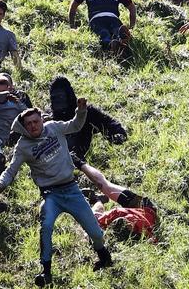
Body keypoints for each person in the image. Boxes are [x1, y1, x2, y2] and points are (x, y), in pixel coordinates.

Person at [0, 100, 114, 287]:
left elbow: (76, 125)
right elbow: (11, 170)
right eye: (28, 124)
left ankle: (104, 257)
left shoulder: (54, 128)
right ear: (23, 127)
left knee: (95, 231)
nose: (33, 126)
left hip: (71, 189)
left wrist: (81, 110)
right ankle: (46, 272)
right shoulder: (23, 146)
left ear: (41, 120)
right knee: (46, 226)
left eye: (35, 122)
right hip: (51, 194)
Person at [46, 76, 143, 208]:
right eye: (54, 98)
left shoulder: (85, 112)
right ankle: (96, 200)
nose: (57, 102)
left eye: (60, 97)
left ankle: (103, 200)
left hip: (77, 159)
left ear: (68, 96)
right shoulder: (48, 120)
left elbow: (109, 125)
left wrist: (117, 136)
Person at [68, 0, 137, 56]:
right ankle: (112, 46)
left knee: (117, 30)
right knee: (103, 33)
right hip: (96, 19)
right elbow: (73, 6)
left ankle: (123, 41)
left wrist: (132, 26)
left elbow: (132, 7)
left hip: (113, 18)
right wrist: (72, 26)